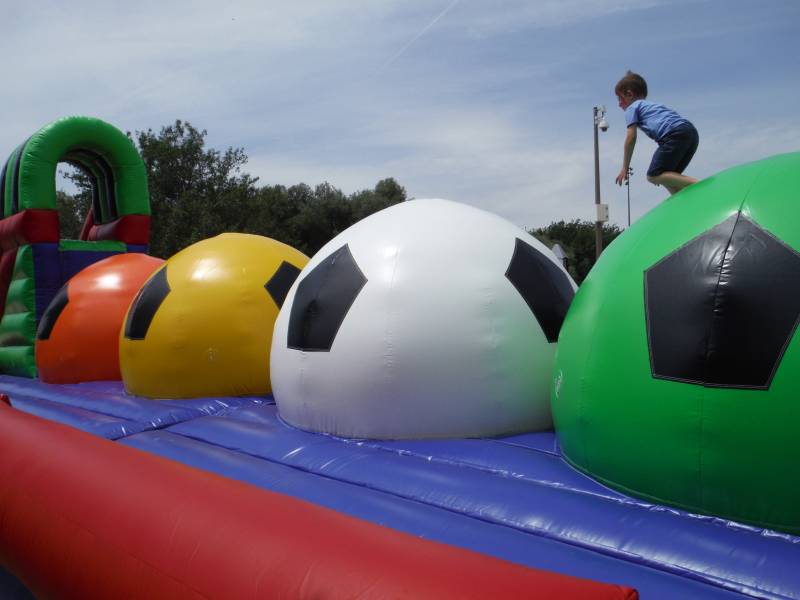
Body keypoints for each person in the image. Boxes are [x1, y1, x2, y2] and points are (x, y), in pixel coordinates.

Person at [614, 71, 699, 195]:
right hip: (690, 133)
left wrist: (625, 167)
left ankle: (699, 184)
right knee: (668, 178)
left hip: (673, 134)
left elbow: (631, 138)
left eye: (619, 98)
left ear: (629, 94)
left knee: (653, 175)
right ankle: (685, 204)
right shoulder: (651, 105)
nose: (619, 104)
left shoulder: (632, 108)